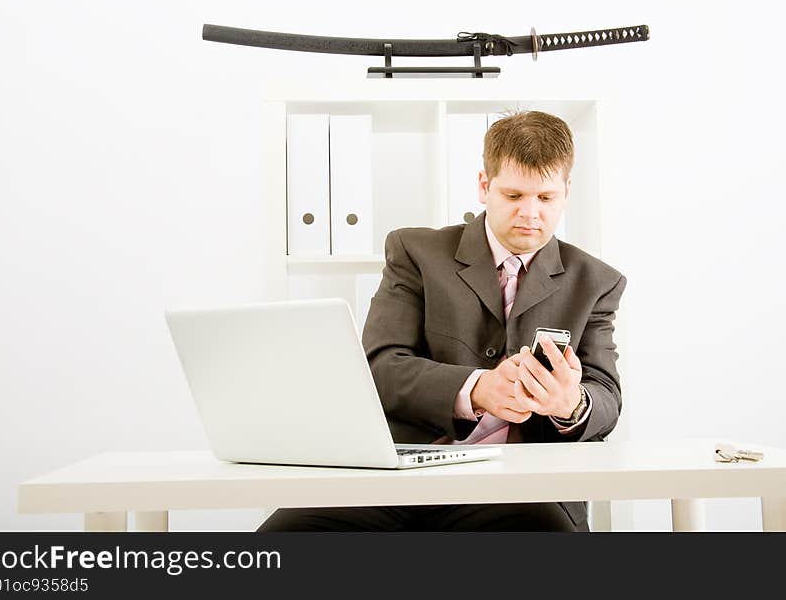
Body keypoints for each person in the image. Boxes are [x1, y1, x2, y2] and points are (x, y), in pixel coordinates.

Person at [258, 111, 627, 531]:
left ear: (566, 192)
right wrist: (476, 388)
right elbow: (379, 367)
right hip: (396, 476)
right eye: (513, 196)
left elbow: (606, 396)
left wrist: (571, 404)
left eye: (545, 198)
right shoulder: (416, 251)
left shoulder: (596, 282)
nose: (530, 214)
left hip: (518, 490)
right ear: (484, 187)